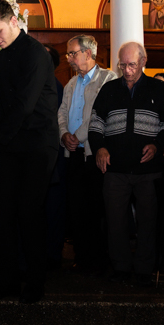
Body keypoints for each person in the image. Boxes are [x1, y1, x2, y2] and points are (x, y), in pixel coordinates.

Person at [0, 0, 58, 304]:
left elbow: (25, 105)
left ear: (13, 21)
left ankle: (35, 285)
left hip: (39, 143)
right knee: (5, 213)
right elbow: (4, 104)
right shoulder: (3, 58)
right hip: (13, 142)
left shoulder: (36, 53)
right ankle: (8, 282)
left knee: (29, 213)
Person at [88, 42, 164, 286]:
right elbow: (95, 124)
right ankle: (121, 267)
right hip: (115, 169)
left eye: (132, 65)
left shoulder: (158, 89)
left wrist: (157, 144)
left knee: (148, 220)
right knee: (115, 220)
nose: (126, 70)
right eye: (122, 65)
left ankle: (145, 269)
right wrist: (101, 148)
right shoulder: (109, 90)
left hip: (148, 169)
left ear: (143, 62)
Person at [57, 35, 117, 274]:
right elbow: (61, 112)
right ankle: (81, 258)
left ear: (88, 53)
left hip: (94, 154)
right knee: (77, 209)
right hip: (73, 155)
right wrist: (63, 135)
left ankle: (99, 260)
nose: (69, 59)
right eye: (68, 54)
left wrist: (77, 136)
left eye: (72, 53)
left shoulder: (108, 78)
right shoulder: (71, 83)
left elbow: (98, 115)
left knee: (97, 209)